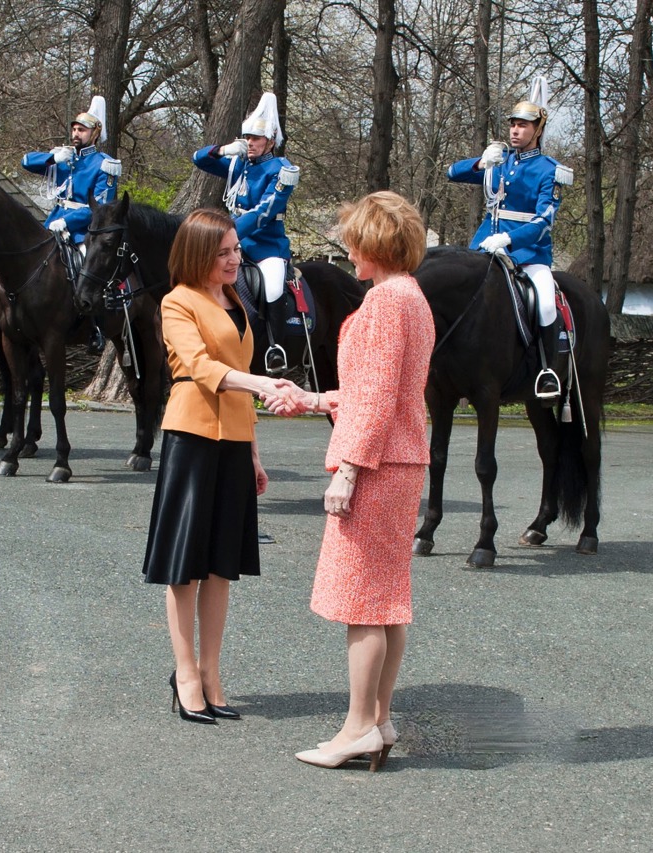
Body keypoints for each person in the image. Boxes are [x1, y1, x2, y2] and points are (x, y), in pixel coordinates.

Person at [268, 191, 433, 770]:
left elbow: (381, 398)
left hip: (379, 465)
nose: (347, 249)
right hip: (398, 459)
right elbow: (373, 393)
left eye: (353, 240)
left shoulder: (389, 301)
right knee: (385, 603)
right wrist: (311, 398)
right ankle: (379, 720)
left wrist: (350, 471)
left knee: (365, 603)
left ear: (374, 243)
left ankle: (359, 726)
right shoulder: (409, 296)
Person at [142, 208, 301, 725]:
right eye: (224, 252)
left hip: (233, 439)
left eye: (236, 249)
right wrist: (261, 385)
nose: (235, 259)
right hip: (191, 436)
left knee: (220, 567)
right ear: (198, 254)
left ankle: (211, 672)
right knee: (184, 566)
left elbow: (242, 373)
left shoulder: (236, 299)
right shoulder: (176, 301)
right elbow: (199, 366)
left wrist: (253, 452)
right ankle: (184, 672)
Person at [447, 76, 573, 400]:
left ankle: (547, 371)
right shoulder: (499, 162)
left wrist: (509, 239)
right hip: (483, 248)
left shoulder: (550, 170)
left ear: (538, 130)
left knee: (545, 303)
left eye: (524, 125)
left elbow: (544, 221)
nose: (516, 130)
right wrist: (480, 161)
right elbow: (452, 173)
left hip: (528, 253)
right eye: (513, 124)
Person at [192, 92, 301, 372]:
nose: (250, 143)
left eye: (256, 138)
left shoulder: (282, 169)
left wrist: (226, 232)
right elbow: (199, 159)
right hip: (232, 243)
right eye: (247, 137)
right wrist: (223, 150)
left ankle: (275, 349)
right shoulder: (238, 164)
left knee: (274, 286)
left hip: (266, 245)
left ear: (271, 141)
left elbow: (265, 211)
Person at [21, 95, 121, 354]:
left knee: (89, 267)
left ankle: (95, 327)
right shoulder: (65, 159)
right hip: (52, 224)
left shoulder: (105, 165)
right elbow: (25, 161)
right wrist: (53, 159)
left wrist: (67, 221)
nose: (76, 134)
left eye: (82, 130)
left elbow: (99, 207)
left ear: (95, 133)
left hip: (82, 231)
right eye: (74, 129)